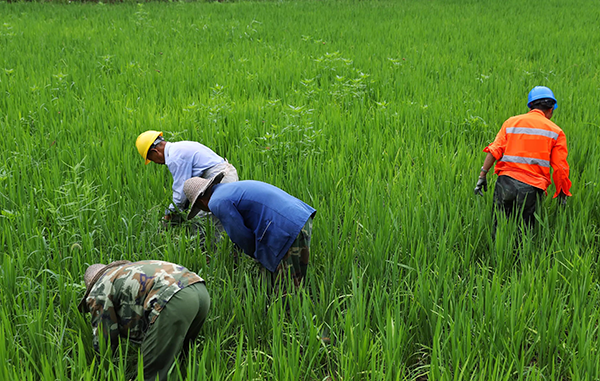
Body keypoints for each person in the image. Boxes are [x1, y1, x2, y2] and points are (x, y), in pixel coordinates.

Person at [78, 260, 210, 381]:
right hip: (199, 290)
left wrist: (101, 369)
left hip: (174, 298)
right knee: (181, 359)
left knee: (149, 374)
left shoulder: (99, 289)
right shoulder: (125, 271)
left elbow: (104, 339)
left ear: (90, 285)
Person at [182, 173, 316, 291]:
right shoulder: (229, 189)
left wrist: (252, 255)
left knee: (287, 286)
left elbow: (241, 236)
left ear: (200, 201)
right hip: (300, 217)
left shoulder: (217, 202)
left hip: (285, 228)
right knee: (296, 277)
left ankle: (288, 316)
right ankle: (298, 306)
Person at [474, 86, 572, 235]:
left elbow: (494, 150)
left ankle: (497, 255)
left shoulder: (511, 123)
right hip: (532, 188)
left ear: (530, 106)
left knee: (498, 229)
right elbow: (560, 168)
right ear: (551, 109)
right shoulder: (556, 132)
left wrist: (482, 175)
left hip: (505, 183)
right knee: (524, 234)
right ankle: (521, 258)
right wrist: (562, 193)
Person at [135, 130, 239, 223]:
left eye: (152, 159)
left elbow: (180, 193)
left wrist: (168, 216)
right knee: (217, 220)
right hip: (222, 175)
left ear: (155, 152)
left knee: (202, 222)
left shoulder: (175, 157)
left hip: (220, 179)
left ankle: (208, 245)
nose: (155, 162)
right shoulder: (179, 147)